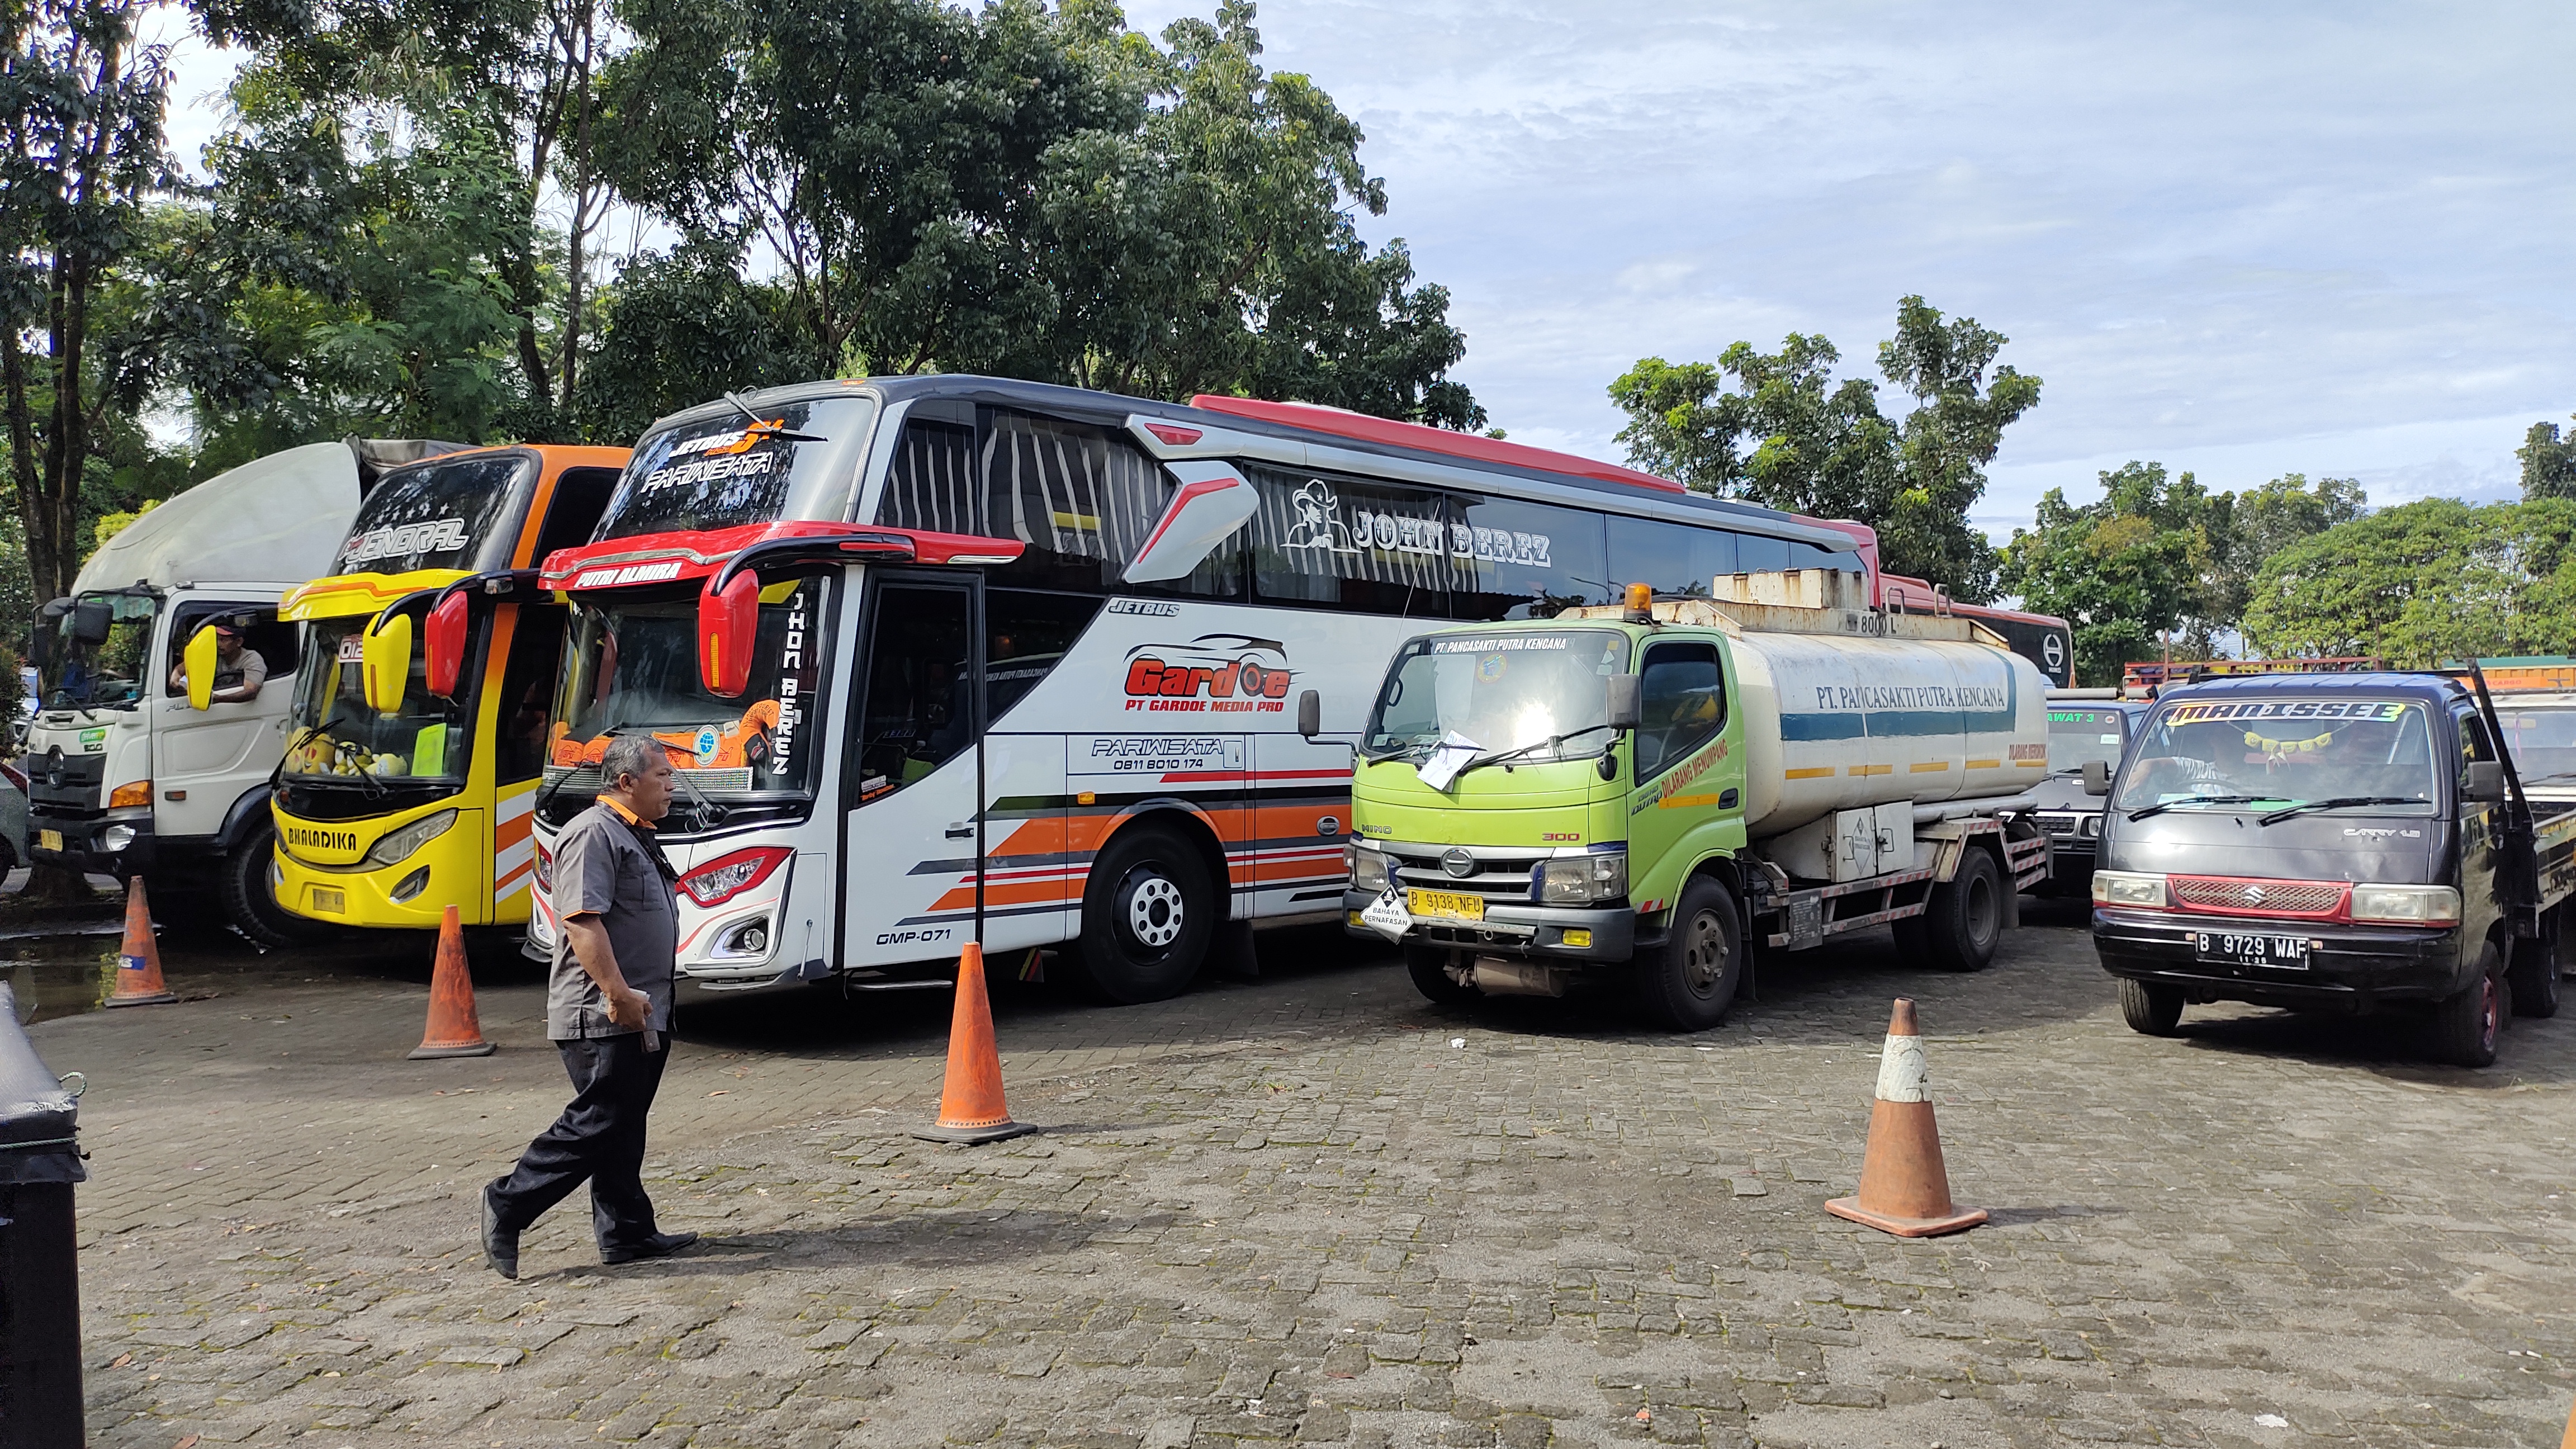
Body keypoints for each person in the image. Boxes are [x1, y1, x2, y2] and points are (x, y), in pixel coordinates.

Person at [481, 735, 698, 1278]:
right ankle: (509, 1202)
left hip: (643, 1008)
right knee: (599, 1119)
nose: (672, 785)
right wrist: (617, 994)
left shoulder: (635, 835)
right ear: (626, 783)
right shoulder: (591, 834)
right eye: (662, 777)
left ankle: (627, 1231)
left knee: (623, 1123)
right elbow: (581, 921)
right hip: (602, 1013)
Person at [168, 621, 267, 703]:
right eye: (217, 639)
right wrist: (176, 675)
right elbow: (185, 666)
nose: (218, 644)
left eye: (223, 640)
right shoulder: (213, 652)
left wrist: (216, 699)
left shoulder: (252, 659)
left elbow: (251, 692)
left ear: (239, 642)